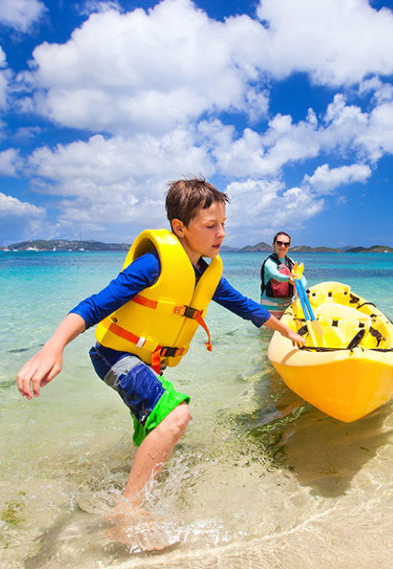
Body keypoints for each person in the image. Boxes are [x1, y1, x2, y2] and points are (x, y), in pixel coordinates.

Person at [16, 178, 305, 534]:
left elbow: (243, 305)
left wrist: (286, 330)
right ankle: (124, 514)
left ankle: (129, 483)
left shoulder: (206, 270)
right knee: (177, 416)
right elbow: (94, 305)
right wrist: (53, 347)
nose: (221, 234)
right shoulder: (152, 265)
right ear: (179, 228)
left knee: (159, 428)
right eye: (211, 226)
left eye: (224, 225)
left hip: (148, 362)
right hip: (114, 355)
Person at [260, 231, 307, 318]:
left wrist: (302, 286)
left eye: (286, 244)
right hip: (270, 305)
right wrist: (288, 278)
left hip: (287, 305)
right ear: (273, 244)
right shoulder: (269, 262)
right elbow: (276, 275)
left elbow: (300, 276)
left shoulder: (291, 262)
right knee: (268, 332)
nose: (282, 246)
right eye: (279, 243)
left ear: (289, 246)